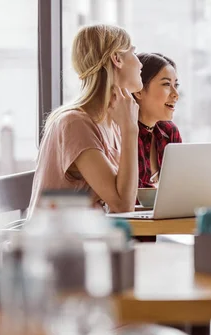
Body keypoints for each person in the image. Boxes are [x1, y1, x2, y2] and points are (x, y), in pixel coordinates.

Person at [28, 24, 142, 216]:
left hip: (88, 237)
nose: (140, 64)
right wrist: (130, 130)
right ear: (117, 58)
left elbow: (121, 199)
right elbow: (122, 205)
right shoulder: (75, 123)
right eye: (133, 52)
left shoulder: (109, 122)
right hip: (58, 243)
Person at [133, 53, 182, 188]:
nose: (175, 94)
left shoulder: (169, 131)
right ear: (139, 90)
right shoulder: (120, 134)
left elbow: (179, 188)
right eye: (166, 84)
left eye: (175, 85)